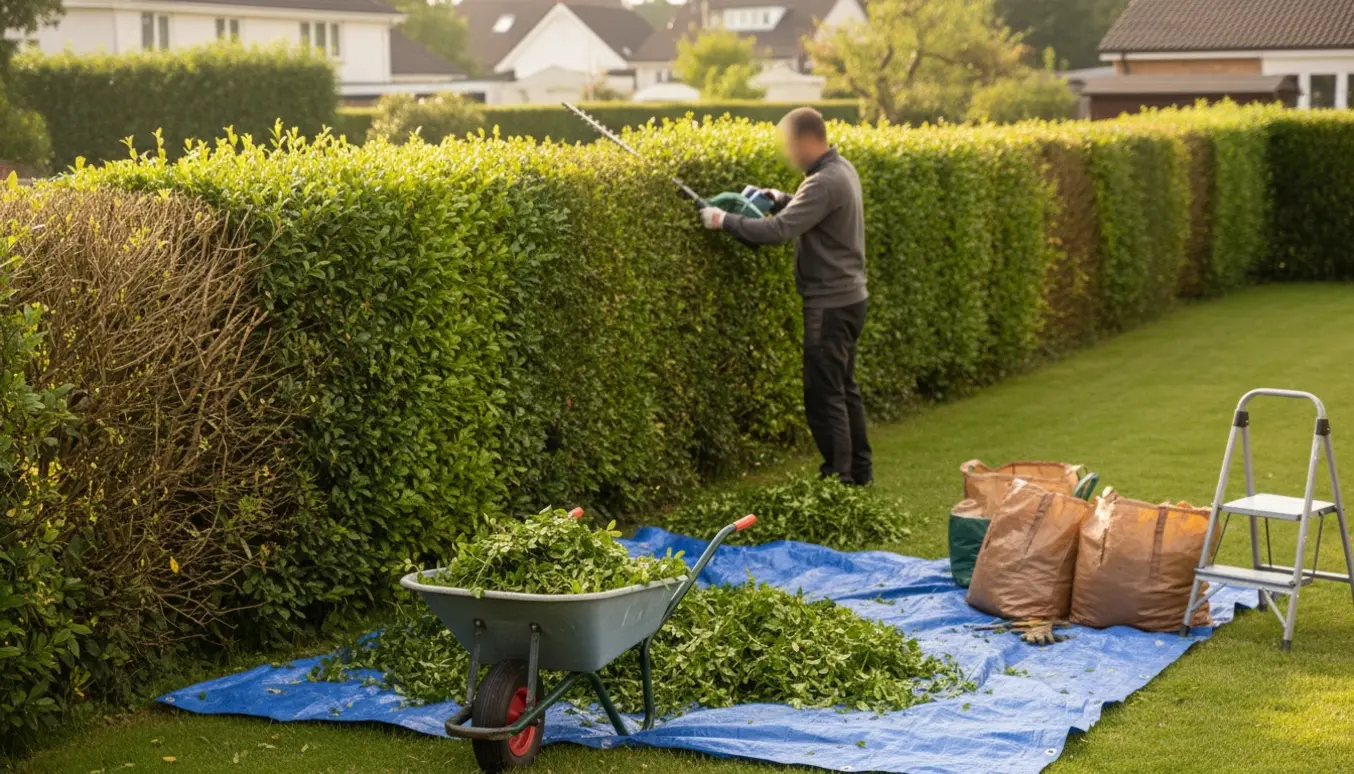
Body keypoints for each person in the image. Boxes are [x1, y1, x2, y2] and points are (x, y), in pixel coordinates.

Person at [699, 107, 871, 486]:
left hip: (828, 303)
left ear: (805, 140)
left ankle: (838, 481)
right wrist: (780, 197)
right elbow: (811, 209)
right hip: (850, 298)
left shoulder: (823, 182)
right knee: (844, 388)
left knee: (824, 394)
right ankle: (859, 473)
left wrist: (723, 220)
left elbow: (778, 231)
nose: (788, 153)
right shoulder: (841, 170)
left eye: (789, 145)